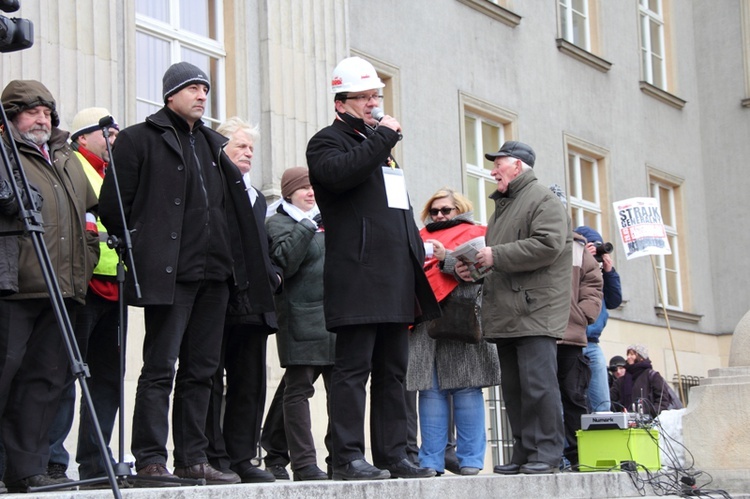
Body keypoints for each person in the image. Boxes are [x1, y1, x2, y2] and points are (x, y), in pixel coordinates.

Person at [99, 62, 275, 485]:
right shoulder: (140, 140)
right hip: (169, 273)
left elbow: (232, 214)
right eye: (193, 88)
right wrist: (145, 245)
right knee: (160, 367)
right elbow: (113, 206)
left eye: (205, 89)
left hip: (215, 275)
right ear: (170, 94)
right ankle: (150, 460)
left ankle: (193, 459)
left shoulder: (215, 146)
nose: (201, 95)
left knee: (203, 370)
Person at [306, 56, 440, 481]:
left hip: (395, 275)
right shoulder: (327, 143)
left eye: (376, 95)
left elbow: (397, 209)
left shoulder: (381, 149)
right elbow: (342, 175)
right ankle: (345, 457)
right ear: (340, 102)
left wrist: (416, 249)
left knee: (393, 372)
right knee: (351, 371)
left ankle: (393, 454)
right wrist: (382, 138)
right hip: (358, 274)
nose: (372, 103)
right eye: (363, 96)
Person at [0, 80, 100, 492]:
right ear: (10, 118)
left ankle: (27, 469)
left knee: (44, 382)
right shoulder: (5, 153)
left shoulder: (67, 158)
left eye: (46, 112)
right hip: (15, 285)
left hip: (63, 287)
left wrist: (88, 259)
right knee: (5, 374)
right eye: (30, 112)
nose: (41, 119)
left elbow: (90, 219)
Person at [458, 140, 571, 476]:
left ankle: (547, 453)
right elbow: (498, 256)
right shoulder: (505, 208)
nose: (493, 171)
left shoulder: (543, 200)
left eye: (498, 164)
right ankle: (525, 452)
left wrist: (496, 256)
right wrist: (474, 268)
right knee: (516, 389)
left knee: (539, 387)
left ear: (518, 166)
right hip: (509, 311)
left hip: (535, 310)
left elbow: (548, 245)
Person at [44, 107, 121, 482]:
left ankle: (95, 460)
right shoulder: (73, 166)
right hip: (84, 287)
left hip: (114, 289)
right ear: (83, 136)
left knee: (107, 380)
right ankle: (53, 459)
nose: (114, 138)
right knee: (64, 374)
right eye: (107, 131)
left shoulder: (115, 174)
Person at [204, 117, 281, 483]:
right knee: (208, 378)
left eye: (251, 147)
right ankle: (212, 455)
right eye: (240, 146)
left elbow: (262, 248)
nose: (248, 152)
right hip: (218, 295)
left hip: (255, 302)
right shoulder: (213, 185)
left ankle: (242, 457)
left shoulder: (255, 197)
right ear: (222, 150)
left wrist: (273, 276)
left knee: (249, 381)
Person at [406, 188, 501, 476]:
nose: (439, 215)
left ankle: (471, 460)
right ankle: (430, 462)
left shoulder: (479, 233)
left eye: (446, 210)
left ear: (460, 209)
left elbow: (480, 274)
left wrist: (446, 257)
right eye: (434, 211)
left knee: (466, 388)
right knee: (431, 391)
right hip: (425, 321)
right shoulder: (418, 236)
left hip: (462, 317)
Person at [262, 166, 334, 481]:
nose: (310, 192)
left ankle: (340, 459)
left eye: (313, 186)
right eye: (303, 187)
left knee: (336, 390)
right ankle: (304, 463)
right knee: (299, 386)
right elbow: (285, 261)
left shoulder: (330, 219)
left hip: (336, 317)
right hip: (300, 317)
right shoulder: (276, 222)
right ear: (289, 191)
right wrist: (306, 224)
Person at [574, 226, 623, 413]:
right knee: (572, 399)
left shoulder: (601, 273)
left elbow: (614, 300)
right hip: (572, 339)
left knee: (603, 404)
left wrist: (609, 272)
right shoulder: (573, 263)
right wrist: (582, 258)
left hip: (593, 342)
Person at [610, 344, 674, 417]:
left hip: (649, 422)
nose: (628, 357)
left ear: (641, 357)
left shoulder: (653, 376)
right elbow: (610, 398)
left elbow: (662, 400)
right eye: (628, 354)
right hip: (628, 422)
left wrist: (652, 414)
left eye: (632, 354)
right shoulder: (621, 380)